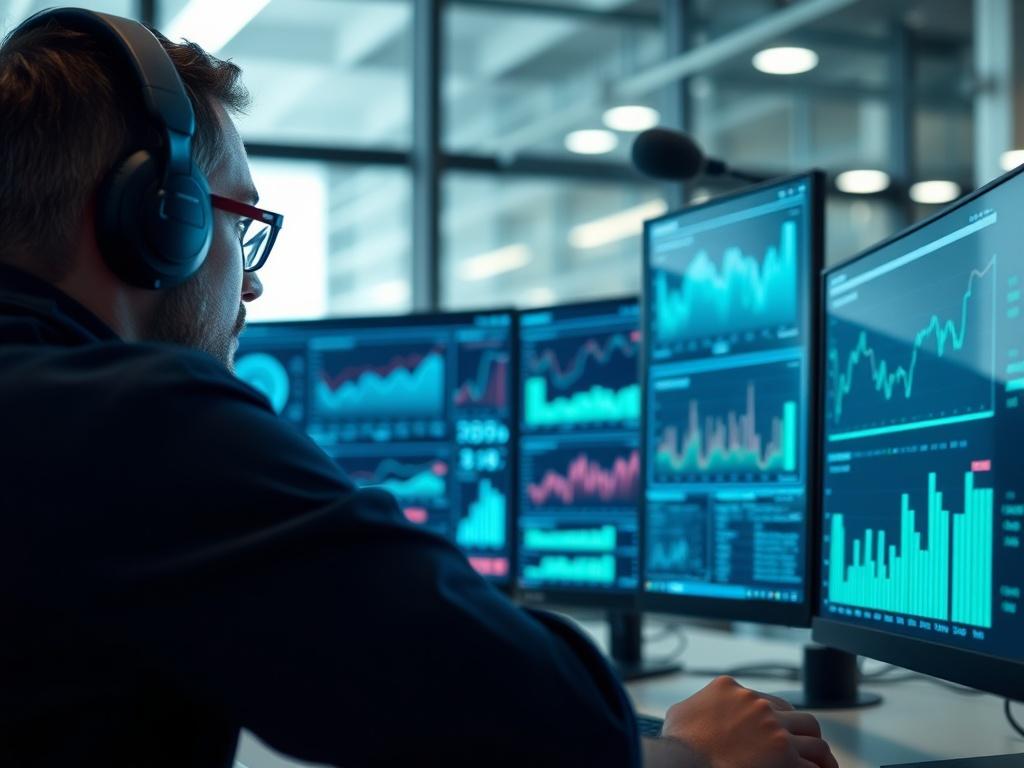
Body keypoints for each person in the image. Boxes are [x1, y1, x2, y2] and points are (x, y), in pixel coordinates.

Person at [0, 8, 838, 768]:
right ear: (157, 217)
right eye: (239, 225)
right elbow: (548, 725)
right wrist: (692, 756)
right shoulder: (132, 421)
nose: (250, 288)